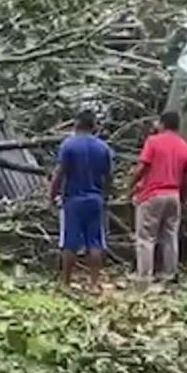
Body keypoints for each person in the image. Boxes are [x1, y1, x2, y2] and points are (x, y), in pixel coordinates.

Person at [49, 109, 113, 293]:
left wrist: (52, 195)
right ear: (94, 126)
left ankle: (66, 283)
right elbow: (109, 176)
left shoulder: (68, 145)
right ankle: (93, 283)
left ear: (76, 123)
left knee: (70, 243)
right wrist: (105, 196)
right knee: (95, 242)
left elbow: (59, 173)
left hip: (73, 200)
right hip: (95, 199)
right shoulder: (103, 148)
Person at [130, 111, 187, 285]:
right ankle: (169, 274)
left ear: (162, 124)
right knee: (170, 236)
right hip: (174, 194)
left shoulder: (153, 142)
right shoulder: (186, 147)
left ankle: (144, 277)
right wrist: (183, 197)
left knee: (146, 238)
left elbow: (142, 167)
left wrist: (130, 186)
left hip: (152, 194)